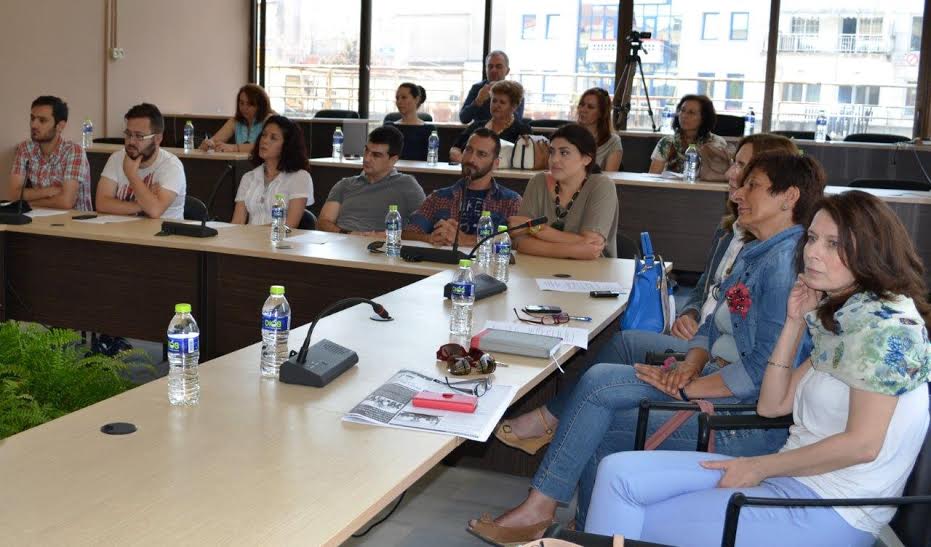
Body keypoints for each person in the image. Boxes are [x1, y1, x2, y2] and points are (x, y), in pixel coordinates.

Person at [467, 152, 827, 544]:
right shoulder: (759, 251)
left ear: (789, 197)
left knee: (600, 393)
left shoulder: (783, 266)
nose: (737, 193)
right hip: (717, 380)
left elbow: (762, 374)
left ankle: (557, 515)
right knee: (606, 379)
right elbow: (710, 326)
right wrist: (690, 365)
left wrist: (687, 388)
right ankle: (571, 521)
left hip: (743, 419)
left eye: (751, 185)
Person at [586, 191, 930, 547]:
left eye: (833, 244)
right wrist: (795, 322)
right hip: (791, 478)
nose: (812, 252)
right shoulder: (848, 317)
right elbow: (772, 405)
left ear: (872, 251)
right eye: (812, 238)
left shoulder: (885, 329)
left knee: (636, 518)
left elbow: (863, 445)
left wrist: (758, 467)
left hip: (833, 508)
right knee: (616, 474)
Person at [597, 134, 801, 365]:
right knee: (620, 337)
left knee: (620, 346)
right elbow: (704, 286)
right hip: (701, 338)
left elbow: (752, 347)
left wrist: (699, 355)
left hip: (715, 353)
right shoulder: (728, 230)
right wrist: (690, 314)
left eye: (742, 166)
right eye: (734, 163)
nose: (730, 173)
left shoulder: (772, 255)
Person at [508, 123, 618, 259]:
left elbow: (592, 246)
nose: (554, 159)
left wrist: (535, 228)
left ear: (586, 159)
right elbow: (520, 242)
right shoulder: (538, 182)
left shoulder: (601, 186)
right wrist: (576, 250)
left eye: (564, 153)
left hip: (591, 270)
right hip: (539, 267)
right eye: (551, 152)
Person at [404, 129, 521, 247]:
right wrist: (430, 238)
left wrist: (466, 240)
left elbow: (518, 243)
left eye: (481, 154)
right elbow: (407, 233)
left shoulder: (511, 201)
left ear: (496, 163)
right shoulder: (439, 197)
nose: (471, 159)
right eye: (468, 150)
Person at [317, 125, 425, 235]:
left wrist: (388, 235)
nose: (367, 159)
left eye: (376, 155)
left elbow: (423, 227)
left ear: (393, 160)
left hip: (382, 243)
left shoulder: (407, 185)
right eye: (366, 151)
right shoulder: (345, 184)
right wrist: (348, 233)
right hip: (342, 240)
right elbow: (323, 223)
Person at [96, 103, 186, 220]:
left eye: (139, 136)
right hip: (124, 230)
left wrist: (131, 174)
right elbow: (102, 204)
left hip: (162, 231)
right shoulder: (117, 158)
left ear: (157, 139)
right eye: (128, 134)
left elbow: (155, 210)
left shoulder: (172, 166)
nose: (131, 142)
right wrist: (142, 205)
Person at [8, 96, 92, 211]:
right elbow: (14, 195)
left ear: (60, 126)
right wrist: (48, 191)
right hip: (38, 218)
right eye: (32, 118)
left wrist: (28, 203)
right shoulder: (25, 149)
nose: (34, 125)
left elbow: (66, 202)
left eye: (42, 120)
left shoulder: (74, 151)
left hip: (74, 220)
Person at [231, 115, 313, 228]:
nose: (264, 141)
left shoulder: (299, 177)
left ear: (287, 145)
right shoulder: (249, 177)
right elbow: (238, 221)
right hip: (248, 237)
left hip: (280, 238)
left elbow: (290, 225)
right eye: (264, 135)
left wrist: (251, 233)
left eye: (273, 138)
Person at [649, 94, 730, 181]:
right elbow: (652, 177)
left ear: (704, 118)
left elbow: (721, 177)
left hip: (703, 188)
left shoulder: (716, 142)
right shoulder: (667, 142)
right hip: (670, 188)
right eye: (682, 110)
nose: (684, 115)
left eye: (691, 113)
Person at [450, 81, 531, 164]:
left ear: (513, 107)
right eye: (494, 101)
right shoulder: (476, 126)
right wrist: (466, 161)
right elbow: (455, 149)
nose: (496, 105)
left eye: (502, 102)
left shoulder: (522, 130)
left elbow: (526, 160)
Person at [200, 84, 272, 154]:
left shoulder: (269, 120)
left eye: (250, 104)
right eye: (241, 103)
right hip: (242, 162)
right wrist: (208, 144)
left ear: (260, 105)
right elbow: (215, 140)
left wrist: (234, 148)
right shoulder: (234, 121)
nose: (244, 108)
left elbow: (263, 146)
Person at [459, 50, 525, 124]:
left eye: (498, 66)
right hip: (480, 130)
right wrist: (478, 101)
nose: (493, 70)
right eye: (490, 66)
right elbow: (463, 119)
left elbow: (517, 120)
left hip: (506, 130)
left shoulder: (515, 91)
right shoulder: (477, 88)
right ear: (486, 69)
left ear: (507, 71)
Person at [576, 88, 622, 172]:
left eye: (590, 107)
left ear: (601, 113)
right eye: (582, 105)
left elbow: (609, 177)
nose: (583, 110)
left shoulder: (613, 141)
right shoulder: (568, 136)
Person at [391, 83, 436, 161]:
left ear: (417, 99)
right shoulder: (390, 127)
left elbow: (432, 158)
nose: (399, 102)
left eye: (404, 97)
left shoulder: (429, 130)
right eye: (397, 98)